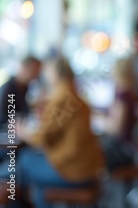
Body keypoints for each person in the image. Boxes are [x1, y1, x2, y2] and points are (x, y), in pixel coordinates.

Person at [13, 56, 105, 208]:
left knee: (24, 161)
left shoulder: (62, 97)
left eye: (47, 70)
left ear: (55, 73)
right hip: (89, 167)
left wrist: (22, 132)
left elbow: (40, 139)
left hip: (74, 171)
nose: (43, 73)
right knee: (40, 188)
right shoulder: (74, 94)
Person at [0, 56, 41, 128]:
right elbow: (5, 119)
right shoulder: (9, 89)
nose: (36, 75)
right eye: (34, 71)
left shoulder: (25, 87)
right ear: (24, 68)